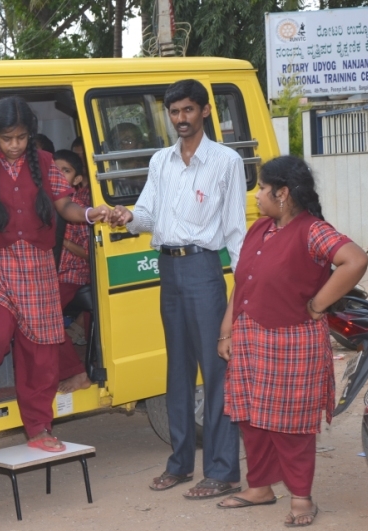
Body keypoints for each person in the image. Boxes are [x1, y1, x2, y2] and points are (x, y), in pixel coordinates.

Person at [109, 79, 247, 499]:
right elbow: (147, 214)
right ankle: (181, 464)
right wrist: (122, 215)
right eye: (174, 112)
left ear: (204, 111)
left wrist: (242, 290)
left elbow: (237, 229)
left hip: (205, 270)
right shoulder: (161, 161)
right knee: (178, 372)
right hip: (167, 270)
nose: (181, 119)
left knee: (216, 371)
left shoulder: (226, 161)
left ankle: (223, 471)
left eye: (188, 110)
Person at [216, 156, 368, 526]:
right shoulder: (260, 229)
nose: (256, 195)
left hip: (292, 340)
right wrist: (226, 329)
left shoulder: (312, 230)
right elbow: (242, 283)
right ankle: (261, 487)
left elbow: (355, 260)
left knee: (291, 423)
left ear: (282, 193)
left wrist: (318, 303)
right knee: (251, 417)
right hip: (251, 336)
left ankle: (301, 497)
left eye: (262, 189)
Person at [0, 96, 110, 452]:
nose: (14, 146)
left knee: (39, 349)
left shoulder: (44, 162)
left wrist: (91, 214)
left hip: (38, 263)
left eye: (21, 138)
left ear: (30, 135)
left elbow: (65, 206)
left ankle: (39, 428)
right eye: (7, 138)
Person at [52, 149, 92, 392]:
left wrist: (61, 241)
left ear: (77, 180)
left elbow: (90, 253)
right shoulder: (46, 203)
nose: (57, 175)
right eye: (53, 171)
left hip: (72, 273)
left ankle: (77, 373)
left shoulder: (76, 207)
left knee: (45, 317)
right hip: (49, 273)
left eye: (65, 171)